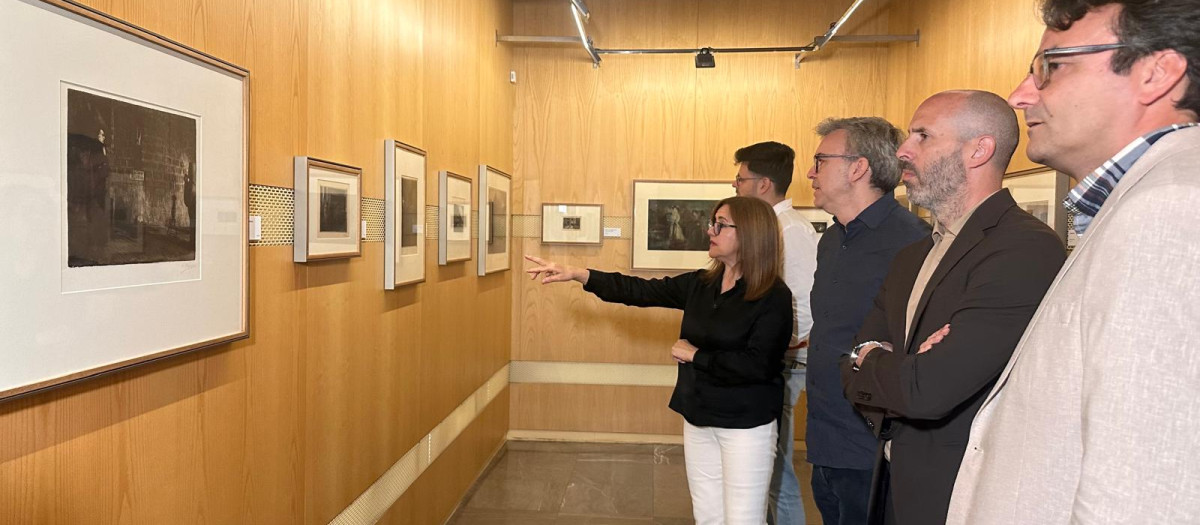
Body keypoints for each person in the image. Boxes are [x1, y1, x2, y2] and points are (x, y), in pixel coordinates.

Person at [947, 1, 1200, 523]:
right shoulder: (1142, 203)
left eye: (1051, 66)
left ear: (1157, 73)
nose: (1020, 95)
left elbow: (1142, 497)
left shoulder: (1171, 212)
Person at [840, 90, 1066, 524]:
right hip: (891, 483)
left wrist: (879, 360)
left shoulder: (1023, 248)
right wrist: (884, 360)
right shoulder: (913, 255)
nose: (903, 151)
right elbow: (849, 362)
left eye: (922, 135)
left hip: (959, 495)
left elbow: (929, 390)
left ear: (978, 150)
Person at [526, 196, 792, 525]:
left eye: (720, 225)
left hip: (745, 426)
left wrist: (697, 356)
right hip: (697, 416)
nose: (710, 230)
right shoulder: (701, 284)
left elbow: (758, 365)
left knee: (743, 520)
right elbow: (639, 290)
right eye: (713, 222)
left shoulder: (773, 296)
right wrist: (579, 274)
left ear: (750, 234)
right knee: (708, 516)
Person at [803, 117, 928, 525]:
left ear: (858, 168)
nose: (810, 172)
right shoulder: (831, 240)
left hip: (873, 446)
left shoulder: (913, 242)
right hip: (825, 438)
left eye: (820, 160)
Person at [731, 141, 817, 525]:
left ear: (764, 184)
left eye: (741, 178)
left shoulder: (790, 230)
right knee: (763, 463)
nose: (736, 186)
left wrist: (776, 347)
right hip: (775, 359)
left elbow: (803, 304)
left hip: (787, 362)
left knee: (774, 465)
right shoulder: (773, 226)